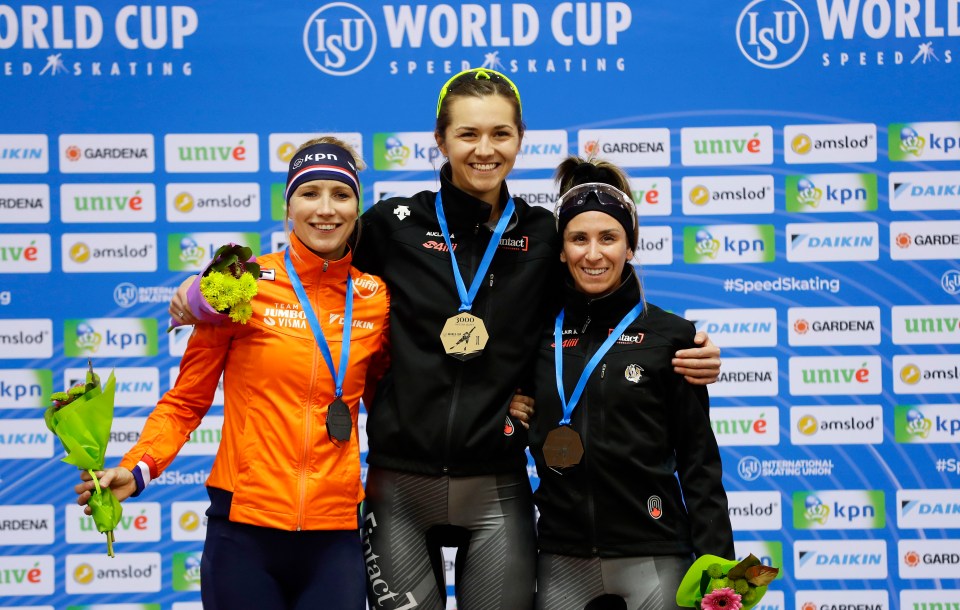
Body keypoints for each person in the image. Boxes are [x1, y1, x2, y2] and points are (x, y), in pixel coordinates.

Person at [169, 68, 721, 610]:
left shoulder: (543, 234)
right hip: (398, 490)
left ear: (520, 139)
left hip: (496, 490)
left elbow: (595, 315)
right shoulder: (392, 224)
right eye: (468, 133)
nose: (485, 149)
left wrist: (684, 349)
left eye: (500, 133)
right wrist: (205, 290)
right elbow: (313, 262)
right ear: (440, 139)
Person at [75, 137, 391, 610]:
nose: (325, 209)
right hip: (243, 532)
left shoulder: (376, 297)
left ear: (357, 208)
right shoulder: (239, 286)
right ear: (288, 207)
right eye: (310, 193)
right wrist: (140, 468)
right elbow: (185, 402)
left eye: (341, 195)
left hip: (336, 534)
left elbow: (396, 402)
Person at [527, 157, 734, 610]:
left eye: (609, 238)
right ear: (561, 249)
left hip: (656, 556)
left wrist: (721, 571)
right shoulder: (535, 335)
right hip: (562, 558)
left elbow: (699, 462)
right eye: (578, 239)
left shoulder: (673, 337)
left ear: (631, 246)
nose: (593, 253)